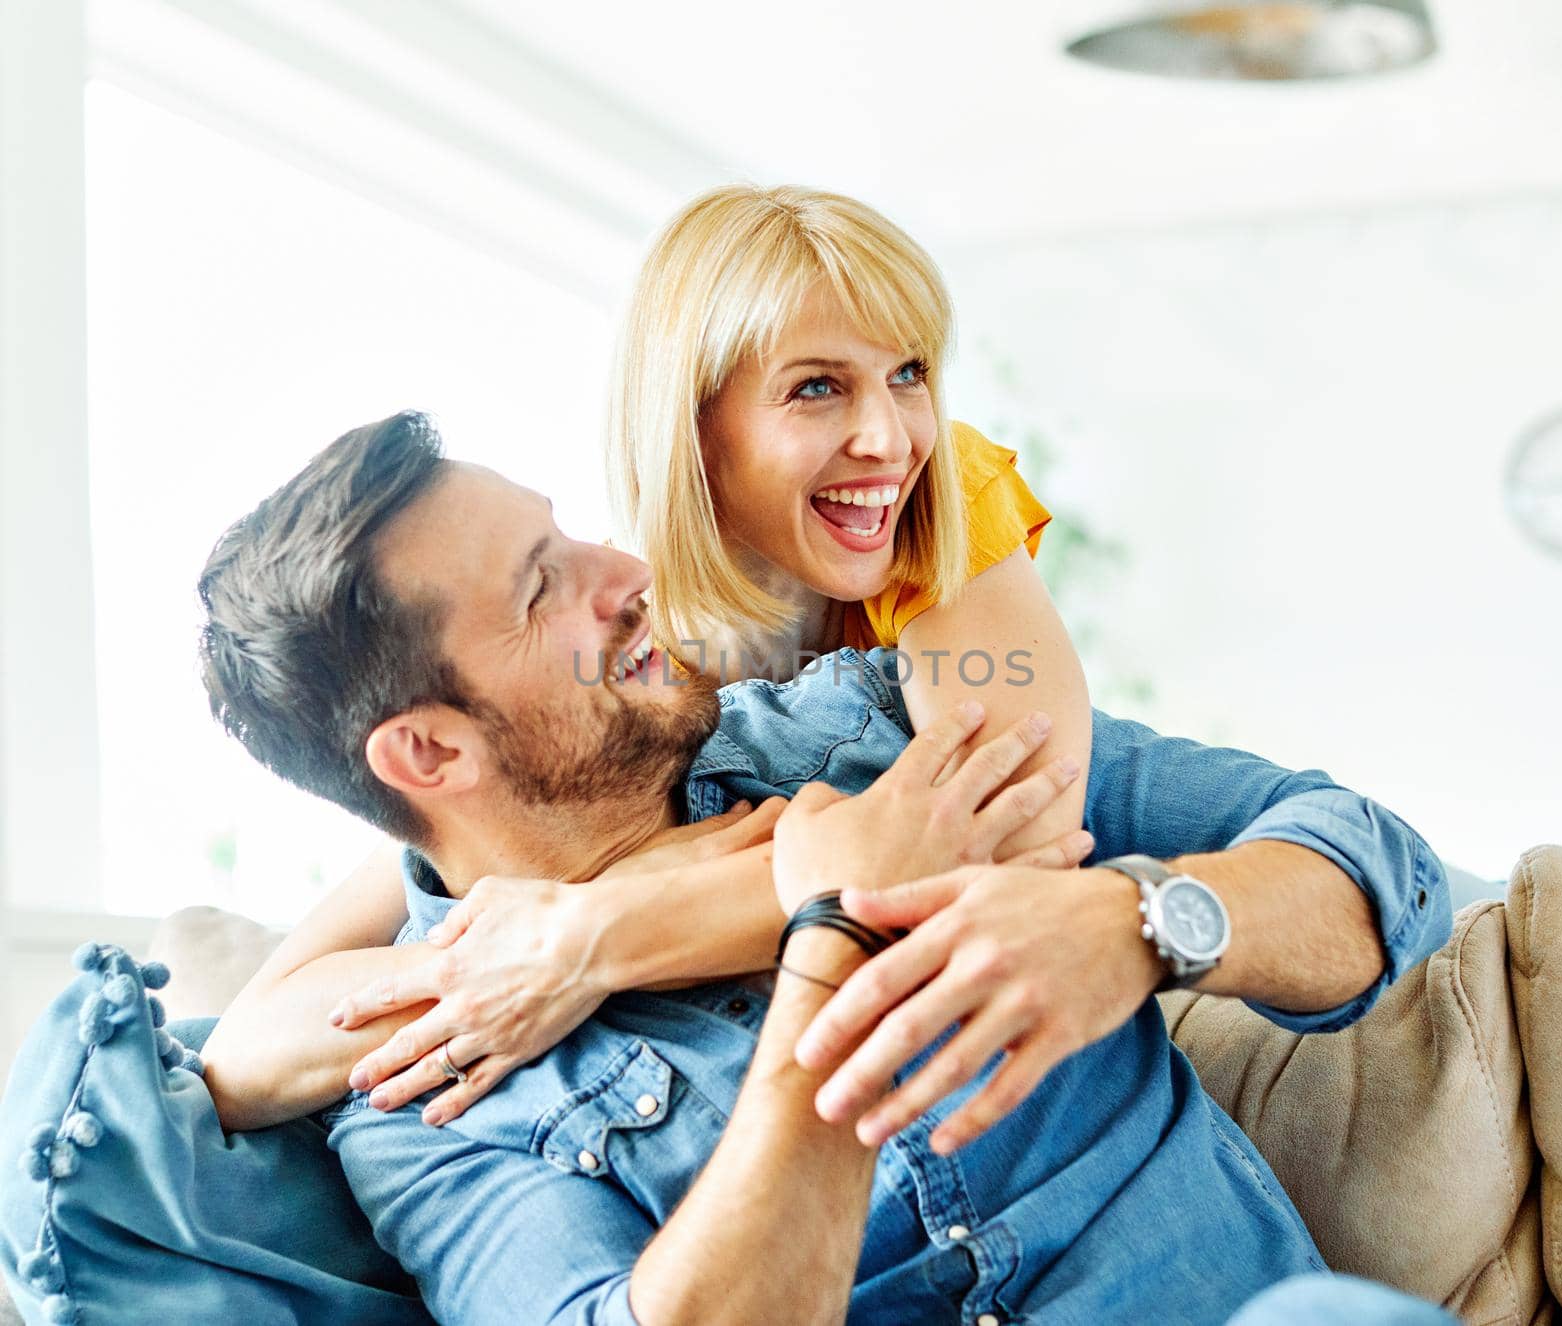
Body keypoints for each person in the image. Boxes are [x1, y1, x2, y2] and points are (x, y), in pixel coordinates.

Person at [195, 414, 1453, 1324]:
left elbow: (1367, 860)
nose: (627, 578)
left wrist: (1135, 922)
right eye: (545, 589)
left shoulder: (865, 732)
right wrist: (833, 932)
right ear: (427, 749)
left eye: (574, 537)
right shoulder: (431, 1098)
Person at [202, 184, 1092, 1132]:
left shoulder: (937, 498)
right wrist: (507, 962)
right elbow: (244, 1051)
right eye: (818, 387)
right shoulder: (616, 649)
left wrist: (594, 935)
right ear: (695, 426)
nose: (890, 438)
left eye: (909, 371)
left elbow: (1014, 846)